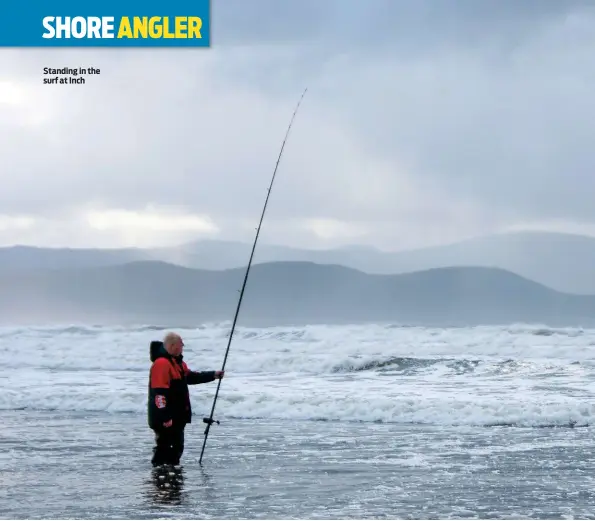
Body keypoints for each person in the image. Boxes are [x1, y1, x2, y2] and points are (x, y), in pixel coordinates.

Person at [148, 331, 224, 467]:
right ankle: (160, 477)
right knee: (165, 448)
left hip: (177, 416)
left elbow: (191, 377)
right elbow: (159, 394)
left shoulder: (177, 363)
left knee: (176, 448)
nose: (182, 347)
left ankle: (168, 478)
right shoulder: (162, 364)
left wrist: (213, 375)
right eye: (181, 345)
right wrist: (165, 418)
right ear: (172, 346)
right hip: (166, 417)